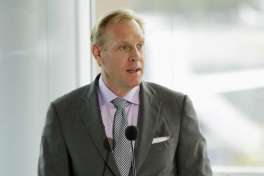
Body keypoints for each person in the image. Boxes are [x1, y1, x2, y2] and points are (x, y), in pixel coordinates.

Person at [38, 9, 212, 176]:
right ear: (98, 54)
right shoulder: (63, 113)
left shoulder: (176, 107)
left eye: (139, 45)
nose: (136, 56)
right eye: (124, 47)